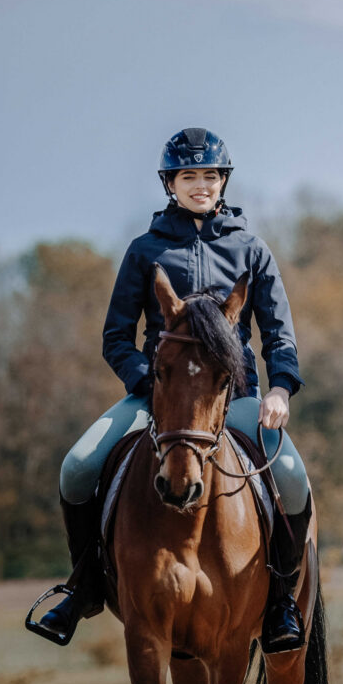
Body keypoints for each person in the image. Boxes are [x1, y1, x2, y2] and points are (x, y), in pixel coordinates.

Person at [27, 128, 312, 651]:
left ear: (223, 181)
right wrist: (148, 384)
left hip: (237, 397)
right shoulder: (144, 251)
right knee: (78, 466)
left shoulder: (252, 250)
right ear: (170, 184)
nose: (200, 186)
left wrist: (281, 391)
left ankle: (281, 604)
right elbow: (117, 336)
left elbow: (279, 334)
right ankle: (84, 585)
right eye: (189, 177)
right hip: (157, 396)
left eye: (209, 176)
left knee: (293, 479)